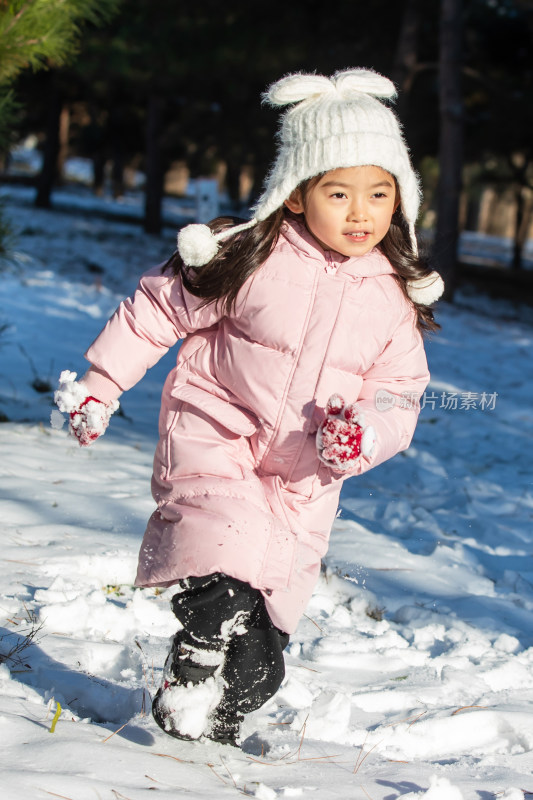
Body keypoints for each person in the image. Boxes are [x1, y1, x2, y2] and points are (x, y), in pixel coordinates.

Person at [53, 68, 444, 747]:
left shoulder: (391, 296)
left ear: (399, 200)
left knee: (263, 663)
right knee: (220, 579)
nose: (360, 212)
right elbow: (154, 313)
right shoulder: (248, 259)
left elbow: (398, 393)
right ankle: (191, 665)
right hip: (217, 438)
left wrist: (365, 436)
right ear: (294, 196)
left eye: (379, 193)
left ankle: (224, 718)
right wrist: (99, 384)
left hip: (303, 484)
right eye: (339, 192)